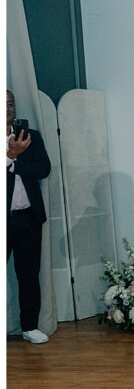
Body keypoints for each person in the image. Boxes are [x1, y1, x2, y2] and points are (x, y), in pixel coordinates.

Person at [6, 90, 52, 344]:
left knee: (29, 274)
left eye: (11, 103)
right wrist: (10, 156)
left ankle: (29, 326)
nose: (8, 108)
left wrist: (15, 161)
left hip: (29, 218)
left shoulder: (30, 136)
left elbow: (43, 169)